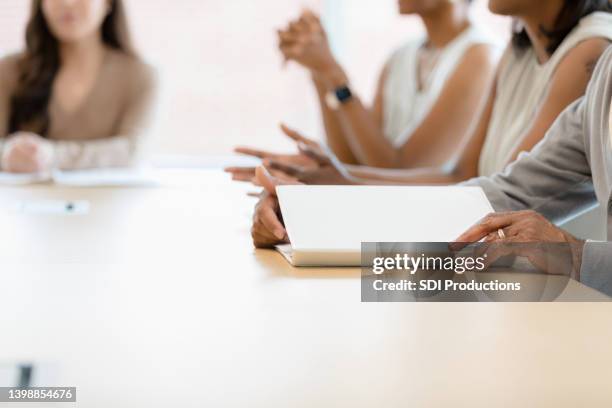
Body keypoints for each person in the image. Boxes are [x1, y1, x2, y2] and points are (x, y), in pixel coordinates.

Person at [250, 45, 612, 296]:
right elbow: (504, 195)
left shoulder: (584, 52)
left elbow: (396, 162)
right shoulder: (605, 76)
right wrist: (306, 212)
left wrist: (577, 255)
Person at [243, 0, 612, 186]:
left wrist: (348, 182)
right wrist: (339, 177)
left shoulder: (589, 49)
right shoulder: (516, 53)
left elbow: (509, 192)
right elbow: (459, 176)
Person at [226, 0, 499, 181]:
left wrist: (333, 72)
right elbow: (353, 160)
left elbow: (400, 171)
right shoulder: (400, 58)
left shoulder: (479, 58)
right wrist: (319, 70)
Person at [0, 0, 156, 173]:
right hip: (22, 199)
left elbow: (132, 151)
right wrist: (7, 154)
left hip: (106, 199)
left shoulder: (140, 75)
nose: (67, 3)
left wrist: (52, 156)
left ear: (108, 3)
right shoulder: (9, 70)